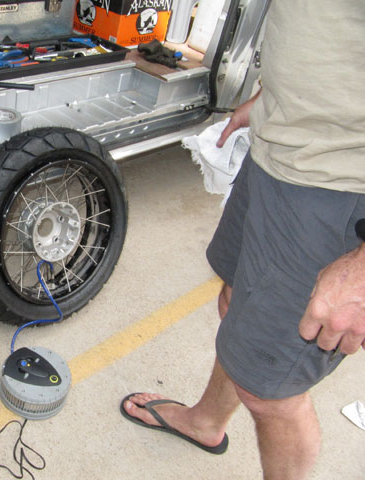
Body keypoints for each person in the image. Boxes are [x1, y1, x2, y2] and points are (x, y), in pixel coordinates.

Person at [119, 1, 365, 478]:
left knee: (271, 392)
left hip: (337, 186)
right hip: (283, 145)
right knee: (234, 302)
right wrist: (273, 95)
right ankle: (205, 422)